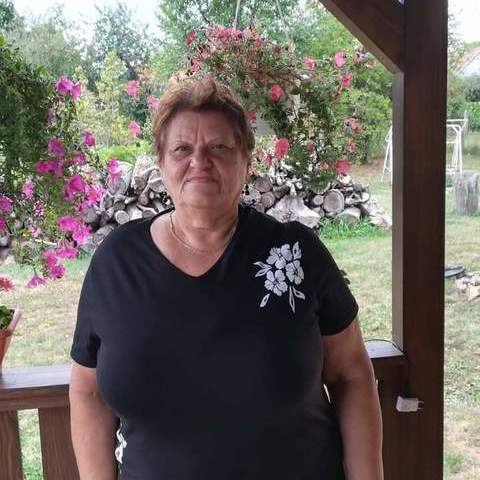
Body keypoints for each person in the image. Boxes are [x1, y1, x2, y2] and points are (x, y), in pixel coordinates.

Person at [69, 76, 383, 480]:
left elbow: (351, 373)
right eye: (182, 149)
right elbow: (88, 389)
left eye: (219, 147)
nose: (199, 161)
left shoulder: (296, 255)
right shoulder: (117, 263)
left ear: (247, 163)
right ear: (161, 163)